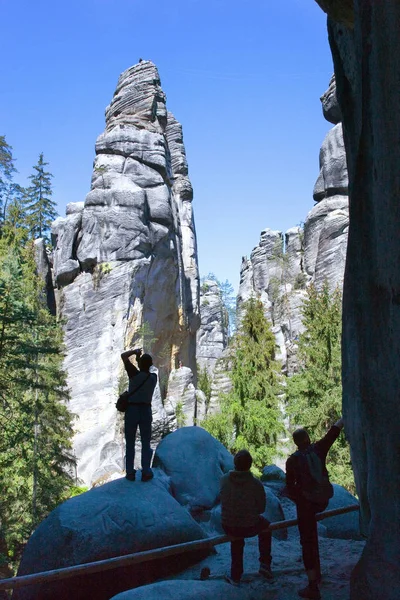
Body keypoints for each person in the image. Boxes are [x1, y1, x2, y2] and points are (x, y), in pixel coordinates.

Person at [284, 417, 344, 600]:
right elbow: (332, 434)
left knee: (307, 541)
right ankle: (317, 575)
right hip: (323, 500)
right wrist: (343, 418)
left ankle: (312, 585)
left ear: (295, 443)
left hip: (306, 505)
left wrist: (298, 497)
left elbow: (289, 487)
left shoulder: (292, 460)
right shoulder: (319, 449)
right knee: (312, 538)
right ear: (308, 439)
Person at [220, 449, 274, 586]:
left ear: (235, 463)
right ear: (250, 465)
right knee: (266, 526)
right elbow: (261, 509)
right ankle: (265, 564)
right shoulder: (256, 484)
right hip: (250, 525)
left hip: (228, 525)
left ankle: (236, 575)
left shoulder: (224, 480)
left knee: (236, 539)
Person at [121, 348, 157, 482]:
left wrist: (135, 352)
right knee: (145, 442)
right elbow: (144, 370)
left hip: (132, 410)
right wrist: (140, 359)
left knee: (130, 442)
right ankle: (146, 471)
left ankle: (130, 472)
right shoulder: (153, 377)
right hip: (146, 410)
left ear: (140, 364)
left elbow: (123, 356)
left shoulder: (133, 375)